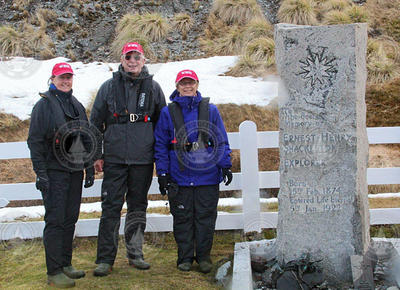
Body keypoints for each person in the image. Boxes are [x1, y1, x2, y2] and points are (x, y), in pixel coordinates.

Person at [90, 42, 166, 276]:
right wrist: (97, 155)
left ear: (143, 60)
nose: (132, 61)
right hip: (114, 159)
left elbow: (162, 125)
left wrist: (159, 158)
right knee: (110, 208)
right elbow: (95, 123)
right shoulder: (108, 87)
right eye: (128, 57)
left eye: (137, 57)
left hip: (142, 160)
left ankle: (135, 254)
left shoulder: (153, 88)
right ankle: (105, 259)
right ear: (121, 60)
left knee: (137, 208)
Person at [154, 69, 233, 273]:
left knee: (206, 218)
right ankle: (185, 257)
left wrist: (225, 164)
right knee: (182, 218)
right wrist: (162, 173)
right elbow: (161, 145)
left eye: (191, 82)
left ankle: (204, 257)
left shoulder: (211, 110)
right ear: (177, 86)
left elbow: (221, 140)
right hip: (179, 177)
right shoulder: (167, 113)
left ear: (197, 84)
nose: (187, 86)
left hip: (207, 176)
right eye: (183, 83)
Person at [28, 62, 95, 288]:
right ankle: (53, 271)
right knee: (55, 221)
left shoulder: (76, 105)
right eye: (61, 77)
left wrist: (89, 166)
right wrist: (41, 173)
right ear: (52, 79)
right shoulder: (43, 106)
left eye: (68, 77)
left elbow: (85, 138)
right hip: (54, 172)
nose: (65, 81)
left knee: (70, 219)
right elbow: (35, 141)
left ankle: (66, 264)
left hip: (74, 171)